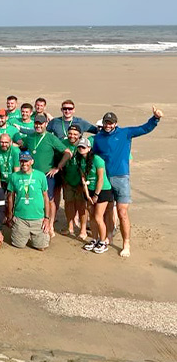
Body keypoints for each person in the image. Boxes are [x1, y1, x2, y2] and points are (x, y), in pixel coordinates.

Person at [92, 107, 163, 258]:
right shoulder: (98, 138)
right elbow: (93, 156)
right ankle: (109, 235)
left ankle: (126, 244)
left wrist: (155, 119)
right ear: (103, 123)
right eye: (106, 122)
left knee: (122, 212)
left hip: (121, 178)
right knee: (108, 210)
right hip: (105, 179)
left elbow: (144, 128)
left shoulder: (125, 133)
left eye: (111, 123)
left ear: (116, 124)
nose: (108, 125)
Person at [21, 114, 72, 237]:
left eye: (40, 123)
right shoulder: (30, 137)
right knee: (31, 197)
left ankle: (50, 225)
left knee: (49, 200)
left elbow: (67, 152)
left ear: (45, 124)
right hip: (32, 175)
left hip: (47, 175)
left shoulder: (51, 138)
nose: (38, 125)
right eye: (36, 123)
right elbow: (22, 147)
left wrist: (57, 167)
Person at [74, 138, 114, 254]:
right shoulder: (80, 160)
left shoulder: (97, 160)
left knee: (98, 217)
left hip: (103, 190)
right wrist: (87, 195)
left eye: (84, 147)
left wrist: (96, 195)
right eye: (80, 147)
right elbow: (83, 178)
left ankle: (103, 241)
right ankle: (94, 239)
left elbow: (101, 179)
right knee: (91, 216)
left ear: (89, 148)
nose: (81, 149)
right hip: (89, 190)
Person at [6, 152, 50, 250]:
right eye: (22, 161)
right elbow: (10, 197)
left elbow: (46, 197)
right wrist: (10, 215)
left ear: (32, 162)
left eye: (26, 161)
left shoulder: (40, 175)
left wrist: (47, 218)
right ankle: (23, 234)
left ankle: (38, 235)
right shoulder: (14, 176)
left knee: (41, 247)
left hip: (38, 218)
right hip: (20, 218)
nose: (24, 163)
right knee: (18, 245)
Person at [60, 125, 85, 237]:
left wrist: (83, 183)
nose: (72, 136)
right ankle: (70, 227)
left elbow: (89, 164)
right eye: (70, 133)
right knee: (68, 203)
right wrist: (63, 179)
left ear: (79, 135)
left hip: (81, 181)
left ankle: (83, 229)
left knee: (81, 205)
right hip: (67, 179)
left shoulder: (83, 145)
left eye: (75, 134)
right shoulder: (63, 144)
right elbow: (58, 162)